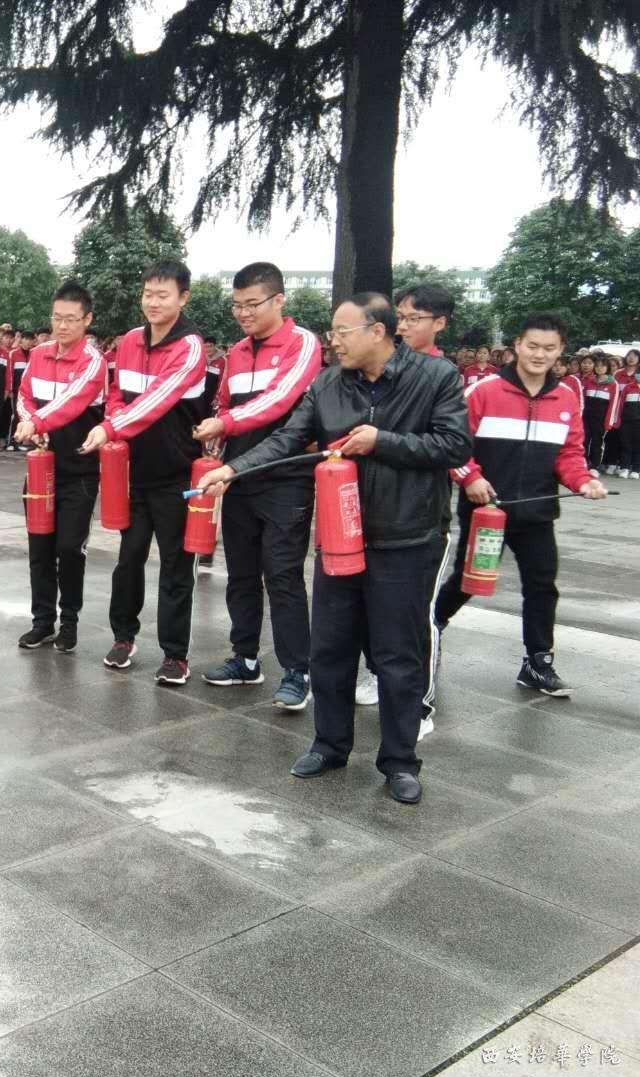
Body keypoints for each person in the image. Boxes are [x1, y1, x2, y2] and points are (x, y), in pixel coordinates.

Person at [195, 293, 472, 805]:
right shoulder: (328, 384)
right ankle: (329, 745)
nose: (334, 341)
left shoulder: (435, 377)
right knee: (331, 648)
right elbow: (287, 438)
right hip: (341, 539)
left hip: (406, 538)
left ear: (378, 332)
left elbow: (454, 446)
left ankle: (400, 761)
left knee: (397, 655)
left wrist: (382, 441)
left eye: (343, 331)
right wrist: (232, 469)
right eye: (333, 331)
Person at [434, 313, 607, 697]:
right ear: (517, 346)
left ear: (561, 351)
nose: (539, 354)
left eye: (549, 348)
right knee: (468, 582)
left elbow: (570, 454)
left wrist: (584, 481)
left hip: (537, 513)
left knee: (542, 584)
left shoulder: (565, 398)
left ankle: (538, 662)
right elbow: (453, 445)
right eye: (533, 346)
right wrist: (471, 478)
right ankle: (431, 627)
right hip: (487, 512)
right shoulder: (484, 391)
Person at [191, 262, 322, 710]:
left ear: (279, 300)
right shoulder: (238, 352)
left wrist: (225, 422)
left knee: (282, 575)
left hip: (286, 479)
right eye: (237, 305)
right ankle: (245, 658)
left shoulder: (302, 343)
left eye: (252, 304)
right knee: (241, 572)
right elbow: (225, 403)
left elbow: (280, 400)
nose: (243, 313)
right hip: (239, 476)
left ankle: (297, 670)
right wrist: (216, 436)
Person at [78, 260, 209, 683]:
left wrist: (110, 427)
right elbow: (117, 393)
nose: (153, 303)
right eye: (148, 294)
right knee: (128, 558)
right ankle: (124, 637)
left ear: (183, 297)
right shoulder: (131, 341)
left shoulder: (190, 347)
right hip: (134, 473)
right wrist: (113, 419)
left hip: (177, 475)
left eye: (163, 295)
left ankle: (175, 654)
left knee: (176, 565)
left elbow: (158, 400)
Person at [13, 281, 108, 653]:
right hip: (41, 470)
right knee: (39, 546)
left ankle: (69, 621)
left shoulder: (93, 362)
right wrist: (29, 420)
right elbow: (24, 396)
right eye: (57, 318)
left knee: (69, 548)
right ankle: (42, 622)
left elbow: (71, 402)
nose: (62, 325)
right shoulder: (38, 355)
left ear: (87, 319)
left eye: (71, 319)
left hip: (79, 471)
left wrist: (37, 422)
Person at [6, 329, 34, 450]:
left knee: (29, 416)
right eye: (26, 339)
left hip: (31, 392)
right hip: (17, 391)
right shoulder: (13, 354)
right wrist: (10, 390)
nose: (28, 342)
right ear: (21, 340)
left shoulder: (34, 354)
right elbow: (9, 373)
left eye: (30, 340)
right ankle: (11, 442)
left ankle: (24, 441)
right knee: (16, 415)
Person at [618, 350, 640, 478]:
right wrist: (618, 419)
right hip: (627, 420)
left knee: (638, 445)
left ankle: (636, 469)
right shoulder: (628, 387)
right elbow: (620, 404)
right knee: (625, 443)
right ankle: (625, 467)